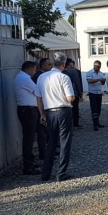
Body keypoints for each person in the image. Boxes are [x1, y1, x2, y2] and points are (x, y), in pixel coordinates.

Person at [35, 52, 75, 182]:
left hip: (49, 112)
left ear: (53, 63)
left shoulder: (41, 77)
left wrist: (42, 114)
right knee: (65, 142)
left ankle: (45, 174)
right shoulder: (63, 77)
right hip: (63, 111)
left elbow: (39, 99)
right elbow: (70, 97)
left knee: (51, 143)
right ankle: (61, 172)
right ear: (64, 64)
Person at [14, 60, 40, 174]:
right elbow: (37, 91)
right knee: (28, 138)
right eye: (34, 69)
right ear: (29, 69)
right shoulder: (24, 78)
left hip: (27, 110)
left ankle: (30, 160)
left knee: (30, 137)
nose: (35, 72)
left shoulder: (22, 77)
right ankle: (28, 166)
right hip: (28, 110)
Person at [33, 57, 54, 160]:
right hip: (40, 107)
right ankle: (43, 152)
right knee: (42, 132)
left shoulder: (47, 75)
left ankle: (49, 150)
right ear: (43, 66)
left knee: (48, 130)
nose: (51, 67)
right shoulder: (39, 76)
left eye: (52, 64)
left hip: (47, 106)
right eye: (49, 64)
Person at [85, 60, 108, 131]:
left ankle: (97, 122)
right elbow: (89, 81)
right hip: (93, 93)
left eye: (99, 67)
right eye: (97, 67)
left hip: (99, 93)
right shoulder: (90, 72)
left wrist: (103, 80)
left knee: (98, 108)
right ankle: (95, 124)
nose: (98, 68)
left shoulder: (101, 73)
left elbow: (103, 84)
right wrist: (98, 79)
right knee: (94, 108)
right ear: (94, 65)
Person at [64, 58, 84, 127]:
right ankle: (75, 123)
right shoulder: (73, 71)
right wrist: (80, 93)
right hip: (73, 93)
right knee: (75, 108)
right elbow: (77, 82)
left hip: (64, 94)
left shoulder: (61, 72)